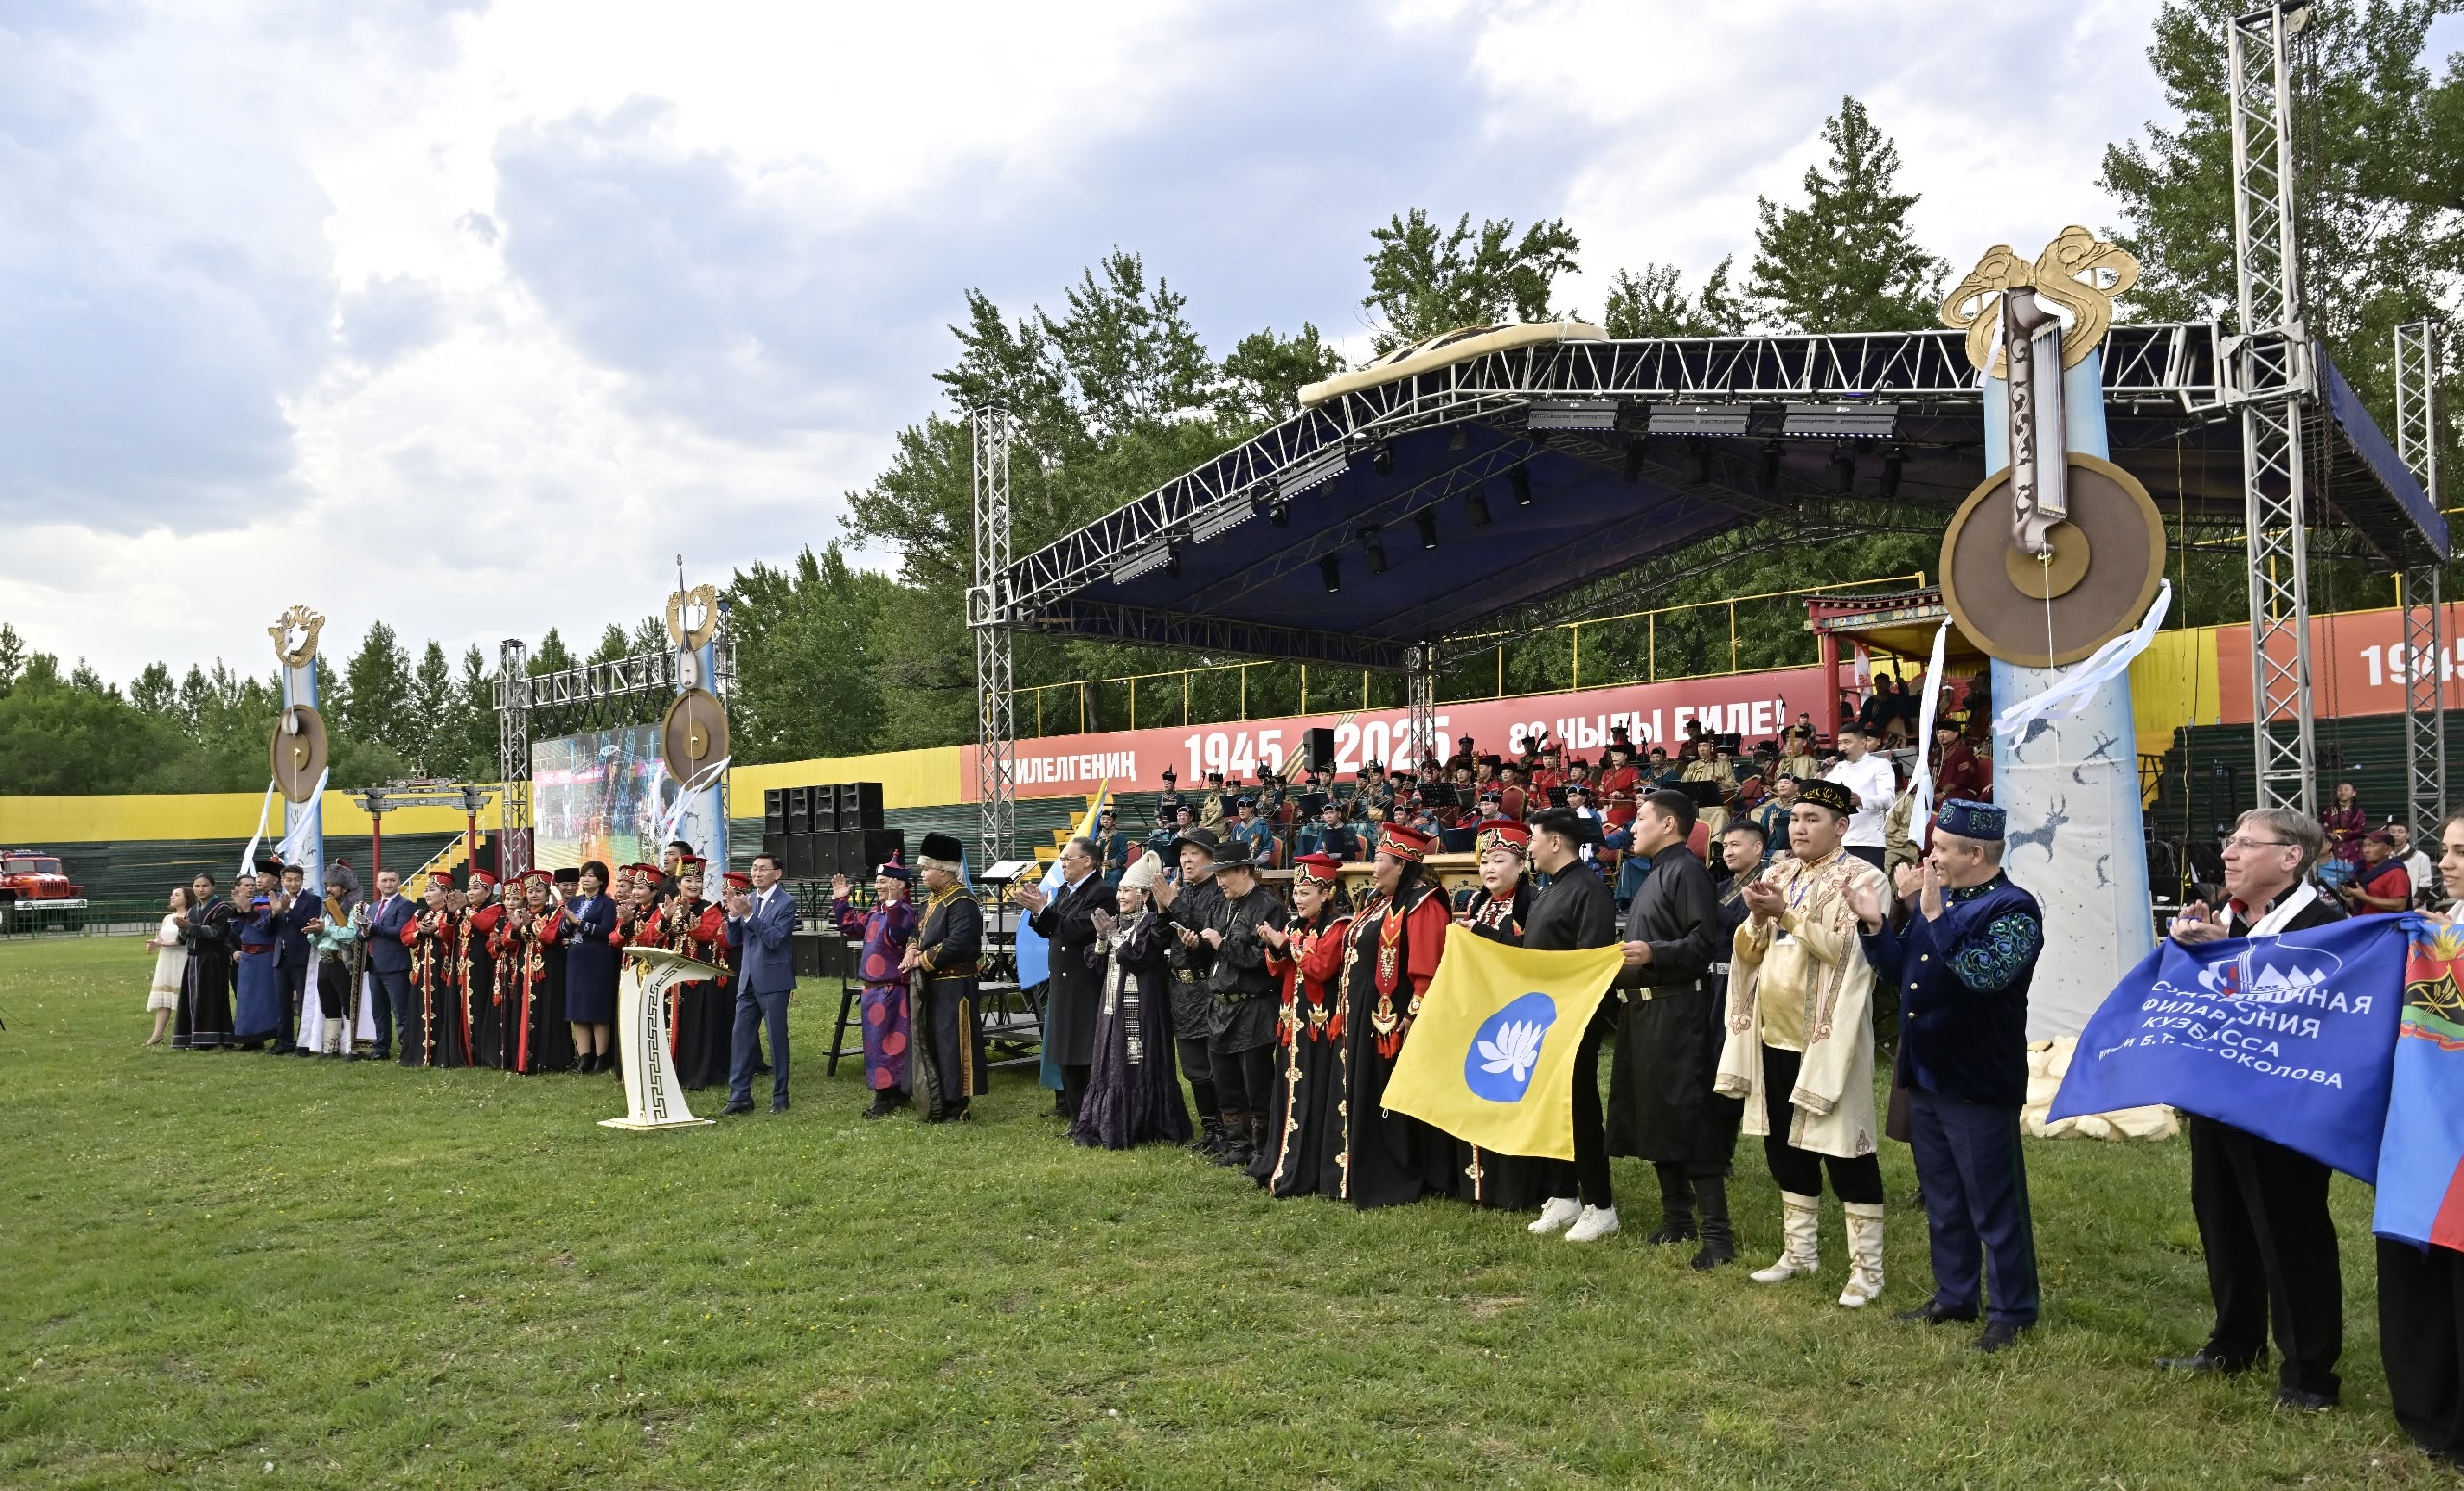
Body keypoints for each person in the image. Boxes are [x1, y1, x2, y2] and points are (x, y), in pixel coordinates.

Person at [2160, 806, 2347, 1409]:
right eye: (2229, 841)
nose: (2229, 853)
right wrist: (2201, 949)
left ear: (2291, 857)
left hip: (2282, 1110)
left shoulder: (2324, 923)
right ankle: (2233, 1343)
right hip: (2218, 1099)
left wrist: (2233, 954)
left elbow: (2309, 1015)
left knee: (2289, 1231)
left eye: (2244, 843)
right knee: (2222, 1218)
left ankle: (2310, 1373)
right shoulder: (2232, 919)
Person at [1854, 799, 2043, 1354]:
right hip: (1927, 1071)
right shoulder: (1943, 899)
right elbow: (1900, 973)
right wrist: (1874, 925)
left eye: (1939, 848)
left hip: (1976, 1075)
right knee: (1942, 1194)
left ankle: (2011, 1309)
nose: (1927, 857)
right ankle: (1955, 1294)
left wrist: (1932, 915)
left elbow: (1982, 976)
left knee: (1993, 1200)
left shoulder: (2013, 909)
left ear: (1975, 853)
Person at [1717, 777, 1891, 1308]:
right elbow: (1749, 950)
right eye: (1795, 819)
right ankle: (1800, 1252)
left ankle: (1868, 1269)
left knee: (1844, 1149)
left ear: (1841, 827)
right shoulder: (1780, 871)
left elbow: (1846, 953)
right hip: (1774, 1034)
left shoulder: (1863, 878)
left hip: (1827, 1036)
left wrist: (1785, 914)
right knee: (1783, 1146)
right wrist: (1755, 918)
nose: (1799, 828)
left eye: (1812, 819)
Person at [1605, 788, 1735, 1269]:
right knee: (1657, 1113)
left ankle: (1718, 1237)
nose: (1632, 827)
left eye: (1640, 818)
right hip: (1644, 1013)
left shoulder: (1687, 872)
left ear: (1668, 825)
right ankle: (1677, 1219)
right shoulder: (1657, 872)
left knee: (1689, 1115)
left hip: (1679, 1013)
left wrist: (1655, 954)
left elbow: (1704, 944)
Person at [2380, 810, 2464, 1468]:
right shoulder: (2432, 934)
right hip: (2429, 1136)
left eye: (2463, 851)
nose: (2449, 862)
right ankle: (2431, 1410)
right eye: (2446, 849)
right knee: (2426, 1265)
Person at [1333, 820, 1456, 1208]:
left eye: (1380, 860)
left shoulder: (1424, 903)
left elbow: (1428, 966)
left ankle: (1394, 1172)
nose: (1372, 867)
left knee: (1387, 1092)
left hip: (1393, 1018)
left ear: (1402, 865)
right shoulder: (1378, 901)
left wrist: (1413, 1012)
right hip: (1362, 1012)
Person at [1073, 852, 1190, 1150]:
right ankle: (1103, 1120)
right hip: (1111, 1006)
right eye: (1120, 889)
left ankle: (1141, 1122)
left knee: (1135, 1058)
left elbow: (1136, 958)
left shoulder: (1152, 924)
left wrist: (1111, 934)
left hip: (1142, 1007)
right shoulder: (1120, 925)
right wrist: (1102, 937)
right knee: (1111, 1060)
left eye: (1127, 891)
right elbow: (1097, 966)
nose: (1120, 896)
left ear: (1145, 895)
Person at [1252, 851, 1350, 1194]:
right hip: (1291, 1025)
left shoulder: (1339, 928)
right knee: (1289, 1090)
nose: (1297, 899)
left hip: (1318, 1027)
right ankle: (1280, 1160)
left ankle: (1305, 1167)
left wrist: (1285, 946)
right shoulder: (1293, 926)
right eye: (1295, 892)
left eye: (1305, 893)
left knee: (1312, 1091)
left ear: (1326, 895)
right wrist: (1275, 947)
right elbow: (1276, 970)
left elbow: (1322, 968)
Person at [1193, 839, 1287, 1169]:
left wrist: (1221, 945)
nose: (1219, 882)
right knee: (1226, 1081)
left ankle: (1264, 1150)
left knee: (1258, 1083)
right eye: (1216, 875)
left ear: (1244, 871)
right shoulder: (1220, 905)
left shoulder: (1268, 907)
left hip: (1254, 1007)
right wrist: (1198, 945)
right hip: (1219, 1006)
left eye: (1224, 875)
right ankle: (1238, 1145)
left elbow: (1267, 960)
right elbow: (1212, 953)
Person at [1017, 836, 1117, 1126]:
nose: (1062, 864)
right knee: (1065, 1052)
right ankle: (1076, 1119)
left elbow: (1077, 931)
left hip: (1084, 983)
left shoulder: (1101, 892)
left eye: (1067, 858)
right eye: (1061, 859)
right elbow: (1052, 931)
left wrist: (1043, 912)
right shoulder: (1065, 891)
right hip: (1063, 984)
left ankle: (1091, 1118)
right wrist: (1039, 914)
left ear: (1087, 861)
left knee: (1084, 1054)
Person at [1151, 824, 1229, 1154]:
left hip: (1207, 990)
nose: (1186, 860)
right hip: (1180, 992)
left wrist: (1174, 903)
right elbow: (1158, 939)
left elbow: (1210, 934)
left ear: (1211, 859)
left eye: (1194, 853)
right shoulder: (1181, 893)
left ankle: (1229, 1130)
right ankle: (1210, 1128)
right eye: (1183, 854)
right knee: (1193, 1068)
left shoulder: (1219, 892)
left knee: (1216, 1066)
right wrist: (1161, 909)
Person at [902, 834, 987, 1123]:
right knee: (932, 1040)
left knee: (954, 1043)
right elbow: (915, 930)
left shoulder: (962, 901)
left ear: (943, 869)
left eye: (926, 868)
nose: (922, 873)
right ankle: (935, 1098)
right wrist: (912, 948)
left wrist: (921, 960)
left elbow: (960, 943)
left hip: (954, 987)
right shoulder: (929, 901)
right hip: (931, 984)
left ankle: (957, 1104)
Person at [833, 858, 918, 1118]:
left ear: (898, 884)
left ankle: (886, 1097)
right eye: (877, 881)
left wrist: (893, 901)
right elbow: (851, 926)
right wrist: (840, 900)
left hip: (892, 990)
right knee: (876, 1044)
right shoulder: (875, 912)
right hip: (873, 990)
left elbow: (900, 931)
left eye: (883, 881)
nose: (878, 886)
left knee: (890, 1044)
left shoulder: (904, 911)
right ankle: (894, 1093)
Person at [721, 851, 799, 1116]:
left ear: (776, 874)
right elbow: (733, 941)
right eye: (754, 869)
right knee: (741, 1038)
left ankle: (781, 1096)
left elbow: (776, 939)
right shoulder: (749, 899)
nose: (756, 874)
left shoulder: (786, 903)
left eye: (762, 869)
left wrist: (748, 917)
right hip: (748, 979)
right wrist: (733, 916)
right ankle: (739, 1097)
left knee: (777, 1038)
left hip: (774, 980)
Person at [663, 858, 732, 1091]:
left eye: (698, 880)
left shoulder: (710, 908)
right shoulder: (666, 906)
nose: (693, 884)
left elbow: (707, 934)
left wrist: (686, 919)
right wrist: (666, 919)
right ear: (678, 883)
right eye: (688, 880)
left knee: (696, 1023)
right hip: (670, 976)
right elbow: (654, 937)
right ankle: (668, 1069)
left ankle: (695, 1071)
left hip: (696, 976)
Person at [494, 870, 573, 1074]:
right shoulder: (518, 913)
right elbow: (506, 942)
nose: (534, 895)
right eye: (530, 891)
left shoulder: (555, 912)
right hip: (523, 967)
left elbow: (552, 937)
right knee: (523, 1008)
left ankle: (550, 1059)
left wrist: (530, 926)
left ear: (547, 894)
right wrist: (515, 928)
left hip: (548, 967)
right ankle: (523, 1058)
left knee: (548, 1008)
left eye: (539, 891)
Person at [557, 861, 621, 1074]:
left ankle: (601, 1058)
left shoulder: (606, 903)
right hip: (576, 959)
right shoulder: (573, 902)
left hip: (598, 960)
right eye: (584, 875)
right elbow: (561, 931)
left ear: (601, 880)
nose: (586, 879)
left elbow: (606, 931)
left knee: (597, 1009)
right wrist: (568, 923)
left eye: (591, 876)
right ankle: (585, 1057)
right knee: (578, 1008)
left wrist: (579, 923)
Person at [400, 874, 469, 1067]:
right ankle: (419, 1053)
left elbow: (452, 937)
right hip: (422, 968)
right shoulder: (420, 914)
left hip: (443, 967)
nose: (428, 894)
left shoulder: (454, 913)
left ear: (445, 893)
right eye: (427, 890)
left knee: (442, 1005)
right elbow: (406, 938)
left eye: (433, 890)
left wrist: (436, 931)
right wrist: (420, 932)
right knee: (420, 1006)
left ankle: (441, 1053)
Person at [302, 880, 368, 1060]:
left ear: (344, 888)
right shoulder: (327, 907)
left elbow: (351, 936)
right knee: (328, 1005)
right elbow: (314, 940)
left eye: (332, 886)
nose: (328, 890)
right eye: (327, 886)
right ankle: (331, 1048)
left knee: (348, 1005)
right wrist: (316, 931)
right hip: (325, 961)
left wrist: (325, 928)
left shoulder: (355, 908)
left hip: (343, 962)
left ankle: (353, 1048)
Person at [172, 872, 237, 1050]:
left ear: (213, 887)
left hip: (213, 960)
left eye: (205, 886)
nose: (201, 890)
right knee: (193, 999)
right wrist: (182, 929)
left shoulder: (222, 907)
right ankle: (195, 1038)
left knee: (212, 998)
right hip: (193, 959)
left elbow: (217, 933)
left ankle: (215, 1039)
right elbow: (184, 939)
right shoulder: (192, 910)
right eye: (197, 886)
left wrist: (190, 927)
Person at [1825, 725, 1896, 873]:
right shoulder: (1838, 768)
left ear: (1863, 743)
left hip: (1868, 842)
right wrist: (1823, 772)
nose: (1842, 747)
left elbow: (1888, 799)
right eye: (1839, 743)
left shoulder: (1880, 765)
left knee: (1869, 892)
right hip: (1839, 841)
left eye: (1847, 742)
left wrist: (1861, 800)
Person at [364, 869, 416, 1062]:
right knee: (379, 1010)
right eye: (384, 880)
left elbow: (400, 931)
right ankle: (381, 1047)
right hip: (374, 964)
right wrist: (362, 931)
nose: (388, 883)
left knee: (401, 1010)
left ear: (399, 882)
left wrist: (371, 928)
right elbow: (365, 934)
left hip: (395, 966)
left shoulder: (406, 905)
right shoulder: (372, 907)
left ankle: (408, 1048)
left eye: (392, 880)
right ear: (377, 884)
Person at [269, 861, 318, 1055]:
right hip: (281, 958)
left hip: (302, 958)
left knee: (305, 1002)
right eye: (288, 880)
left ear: (302, 881)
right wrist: (274, 912)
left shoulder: (312, 900)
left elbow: (306, 925)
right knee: (282, 1002)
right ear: (282, 881)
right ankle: (284, 1041)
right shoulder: (279, 900)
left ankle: (304, 1044)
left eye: (297, 879)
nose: (293, 883)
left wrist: (289, 910)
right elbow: (268, 930)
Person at [461, 871, 507, 1068]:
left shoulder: (496, 908)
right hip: (465, 965)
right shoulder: (466, 910)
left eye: (476, 888)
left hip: (484, 965)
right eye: (469, 889)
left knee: (481, 1005)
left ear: (488, 893)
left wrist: (467, 912)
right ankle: (467, 1050)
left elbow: (485, 924)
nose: (470, 893)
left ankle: (481, 1050)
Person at [232, 879, 284, 1051]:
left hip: (264, 956)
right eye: (258, 875)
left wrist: (248, 911)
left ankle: (265, 1034)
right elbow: (236, 930)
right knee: (246, 999)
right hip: (247, 957)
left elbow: (265, 928)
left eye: (263, 875)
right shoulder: (251, 903)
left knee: (263, 999)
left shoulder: (276, 901)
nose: (257, 881)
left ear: (274, 879)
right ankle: (249, 1038)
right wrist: (240, 910)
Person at [143, 887, 192, 1046]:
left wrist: (163, 944)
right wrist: (155, 943)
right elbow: (161, 938)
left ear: (186, 898)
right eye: (172, 895)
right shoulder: (167, 918)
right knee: (164, 998)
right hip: (166, 961)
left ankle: (190, 1033)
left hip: (182, 959)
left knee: (184, 998)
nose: (172, 897)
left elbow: (184, 940)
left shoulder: (190, 916)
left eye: (177, 895)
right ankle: (157, 1034)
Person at [2340, 830, 2413, 914]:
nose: (2365, 850)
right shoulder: (2361, 868)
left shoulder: (2396, 872)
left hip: (2385, 924)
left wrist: (2364, 897)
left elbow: (2400, 906)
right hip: (2362, 921)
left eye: (2371, 846)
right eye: (2363, 846)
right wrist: (2349, 893)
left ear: (2387, 850)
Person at [1682, 738, 1738, 844]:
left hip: (1714, 805)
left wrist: (1719, 783)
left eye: (1705, 746)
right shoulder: (1692, 766)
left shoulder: (1723, 765)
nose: (1701, 749)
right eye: (1699, 746)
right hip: (1693, 805)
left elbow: (1733, 786)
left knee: (1721, 812)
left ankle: (1716, 845)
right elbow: (1683, 785)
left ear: (1712, 748)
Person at [2321, 782, 2367, 889]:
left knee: (2353, 871)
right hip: (2332, 844)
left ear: (2354, 793)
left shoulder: (2358, 812)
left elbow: (2359, 829)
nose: (2342, 792)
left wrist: (2341, 835)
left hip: (2351, 846)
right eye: (2339, 790)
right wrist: (2329, 835)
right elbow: (2323, 825)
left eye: (2346, 790)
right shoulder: (2329, 810)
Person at [2390, 822, 2438, 906]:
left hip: (2413, 911)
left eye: (2400, 831)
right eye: (2392, 832)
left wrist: (2411, 906)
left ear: (2408, 835)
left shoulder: (2422, 857)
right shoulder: (2382, 857)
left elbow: (2425, 887)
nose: (2395, 835)